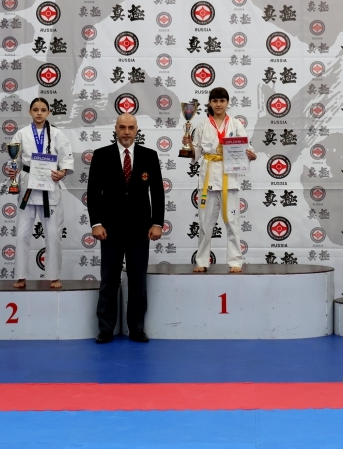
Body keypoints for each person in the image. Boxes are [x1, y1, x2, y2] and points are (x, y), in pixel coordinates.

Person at [89, 113, 165, 344]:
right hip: (110, 229)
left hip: (140, 229)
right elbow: (93, 192)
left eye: (130, 128)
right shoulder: (102, 155)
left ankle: (136, 328)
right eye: (122, 127)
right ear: (115, 129)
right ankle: (105, 328)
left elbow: (157, 192)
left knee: (137, 280)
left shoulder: (149, 156)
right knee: (109, 280)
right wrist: (96, 223)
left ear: (136, 130)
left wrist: (157, 222)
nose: (126, 132)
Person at [182, 87, 256, 273]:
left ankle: (235, 261)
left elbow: (248, 148)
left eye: (222, 100)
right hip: (208, 177)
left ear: (227, 103)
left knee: (232, 222)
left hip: (229, 178)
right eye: (215, 101)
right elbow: (196, 153)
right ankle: (202, 261)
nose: (218, 104)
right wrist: (188, 146)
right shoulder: (202, 125)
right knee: (205, 224)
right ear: (210, 103)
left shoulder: (236, 124)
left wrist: (251, 155)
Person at [7, 98, 74, 289]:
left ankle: (54, 276)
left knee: (53, 235)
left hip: (49, 189)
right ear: (30, 112)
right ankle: (21, 276)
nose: (39, 113)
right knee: (22, 234)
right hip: (28, 187)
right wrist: (13, 170)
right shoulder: (22, 134)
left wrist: (62, 172)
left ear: (48, 112)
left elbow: (66, 160)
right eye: (35, 109)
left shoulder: (57, 134)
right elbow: (15, 160)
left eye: (43, 110)